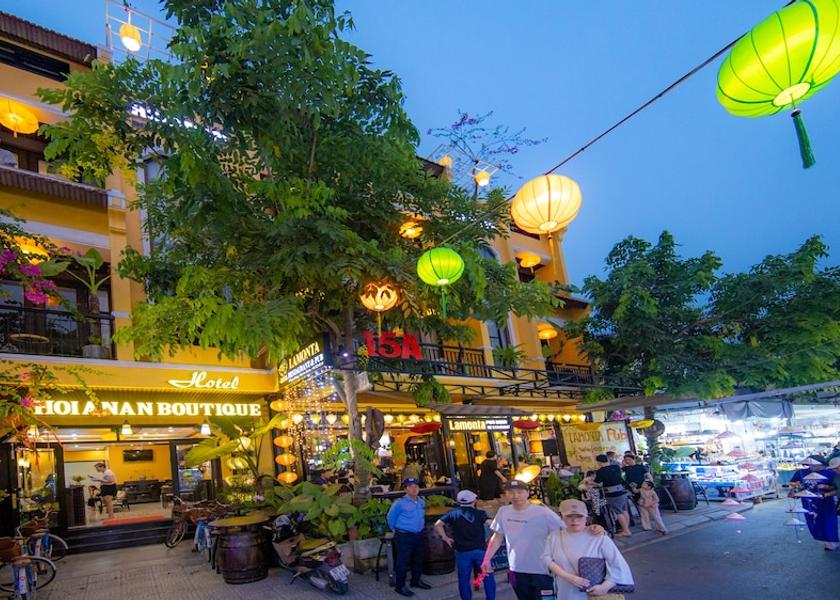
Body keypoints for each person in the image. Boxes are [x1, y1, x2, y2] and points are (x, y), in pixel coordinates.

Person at [481, 481, 604, 600]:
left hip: (542, 570)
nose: (516, 496)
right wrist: (486, 559)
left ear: (527, 493)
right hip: (516, 569)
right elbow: (497, 537)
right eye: (511, 492)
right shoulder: (503, 511)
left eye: (520, 492)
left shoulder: (543, 512)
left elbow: (568, 528)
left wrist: (592, 528)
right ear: (506, 494)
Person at [543, 499, 634, 600]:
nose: (574, 520)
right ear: (562, 517)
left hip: (596, 594)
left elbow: (618, 564)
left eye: (579, 516)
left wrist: (605, 587)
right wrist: (568, 577)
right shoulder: (554, 537)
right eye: (569, 516)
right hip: (566, 591)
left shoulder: (598, 536)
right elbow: (547, 558)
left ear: (586, 517)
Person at [434, 490, 495, 600]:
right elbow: (492, 524)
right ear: (474, 500)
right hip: (480, 550)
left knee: (463, 579)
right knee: (487, 576)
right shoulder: (480, 513)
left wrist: (445, 537)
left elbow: (438, 524)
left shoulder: (453, 513)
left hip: (462, 551)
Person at [386, 478, 431, 596]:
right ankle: (400, 586)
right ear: (406, 489)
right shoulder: (399, 503)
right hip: (404, 535)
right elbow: (390, 518)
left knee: (418, 559)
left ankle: (416, 581)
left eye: (416, 486)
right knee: (403, 561)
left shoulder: (421, 501)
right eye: (410, 486)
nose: (414, 489)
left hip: (419, 534)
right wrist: (396, 530)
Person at [789, 456, 839, 551]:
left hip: (825, 503)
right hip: (808, 503)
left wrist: (827, 489)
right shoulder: (801, 472)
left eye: (814, 464)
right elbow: (793, 485)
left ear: (821, 464)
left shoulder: (831, 472)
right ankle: (823, 542)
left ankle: (832, 543)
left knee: (828, 522)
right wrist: (793, 492)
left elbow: (837, 488)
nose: (811, 466)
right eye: (809, 464)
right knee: (813, 523)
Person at [594, 454, 631, 537]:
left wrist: (588, 482)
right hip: (622, 490)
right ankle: (626, 528)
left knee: (618, 512)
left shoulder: (601, 471)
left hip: (612, 493)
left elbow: (597, 482)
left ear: (599, 462)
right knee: (624, 510)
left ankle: (626, 531)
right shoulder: (616, 467)